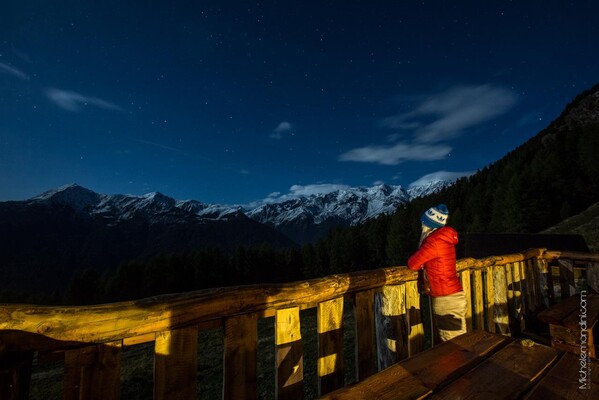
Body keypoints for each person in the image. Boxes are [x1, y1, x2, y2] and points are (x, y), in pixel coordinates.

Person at [407, 204, 467, 342]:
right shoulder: (444, 239)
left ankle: (459, 364)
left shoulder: (434, 241)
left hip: (446, 299)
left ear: (428, 224)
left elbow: (413, 263)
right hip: (454, 294)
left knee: (453, 344)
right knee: (459, 339)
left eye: (423, 223)